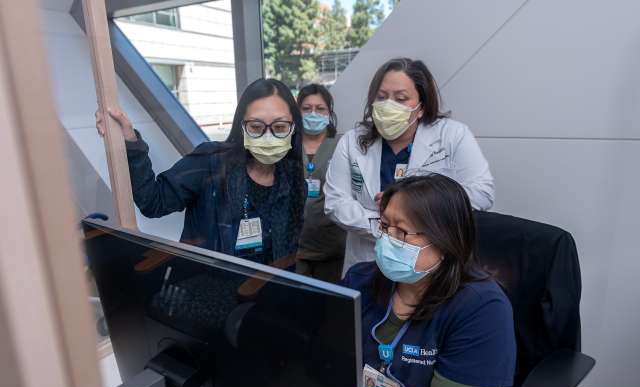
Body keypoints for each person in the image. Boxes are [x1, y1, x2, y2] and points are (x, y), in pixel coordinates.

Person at [340, 174, 515, 387]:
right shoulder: (361, 280)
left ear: (445, 240)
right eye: (384, 226)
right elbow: (326, 356)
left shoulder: (483, 309)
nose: (387, 239)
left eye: (401, 232)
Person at [95, 78, 306, 270]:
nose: (267, 136)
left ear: (293, 128)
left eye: (279, 127)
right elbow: (153, 201)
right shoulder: (211, 162)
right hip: (206, 291)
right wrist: (131, 143)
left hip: (262, 297)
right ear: (242, 127)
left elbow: (287, 254)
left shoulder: (293, 181)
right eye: (256, 126)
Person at [324, 57, 495, 275]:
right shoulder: (352, 141)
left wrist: (412, 205)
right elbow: (336, 202)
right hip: (367, 258)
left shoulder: (452, 135)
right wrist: (386, 229)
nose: (389, 105)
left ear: (421, 107)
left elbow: (482, 193)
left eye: (401, 98)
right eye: (382, 97)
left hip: (428, 260)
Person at [295, 84, 346, 283]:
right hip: (295, 245)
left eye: (320, 108)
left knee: (328, 307)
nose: (313, 114)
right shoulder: (287, 145)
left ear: (329, 113)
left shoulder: (342, 145)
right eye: (306, 109)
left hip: (332, 246)